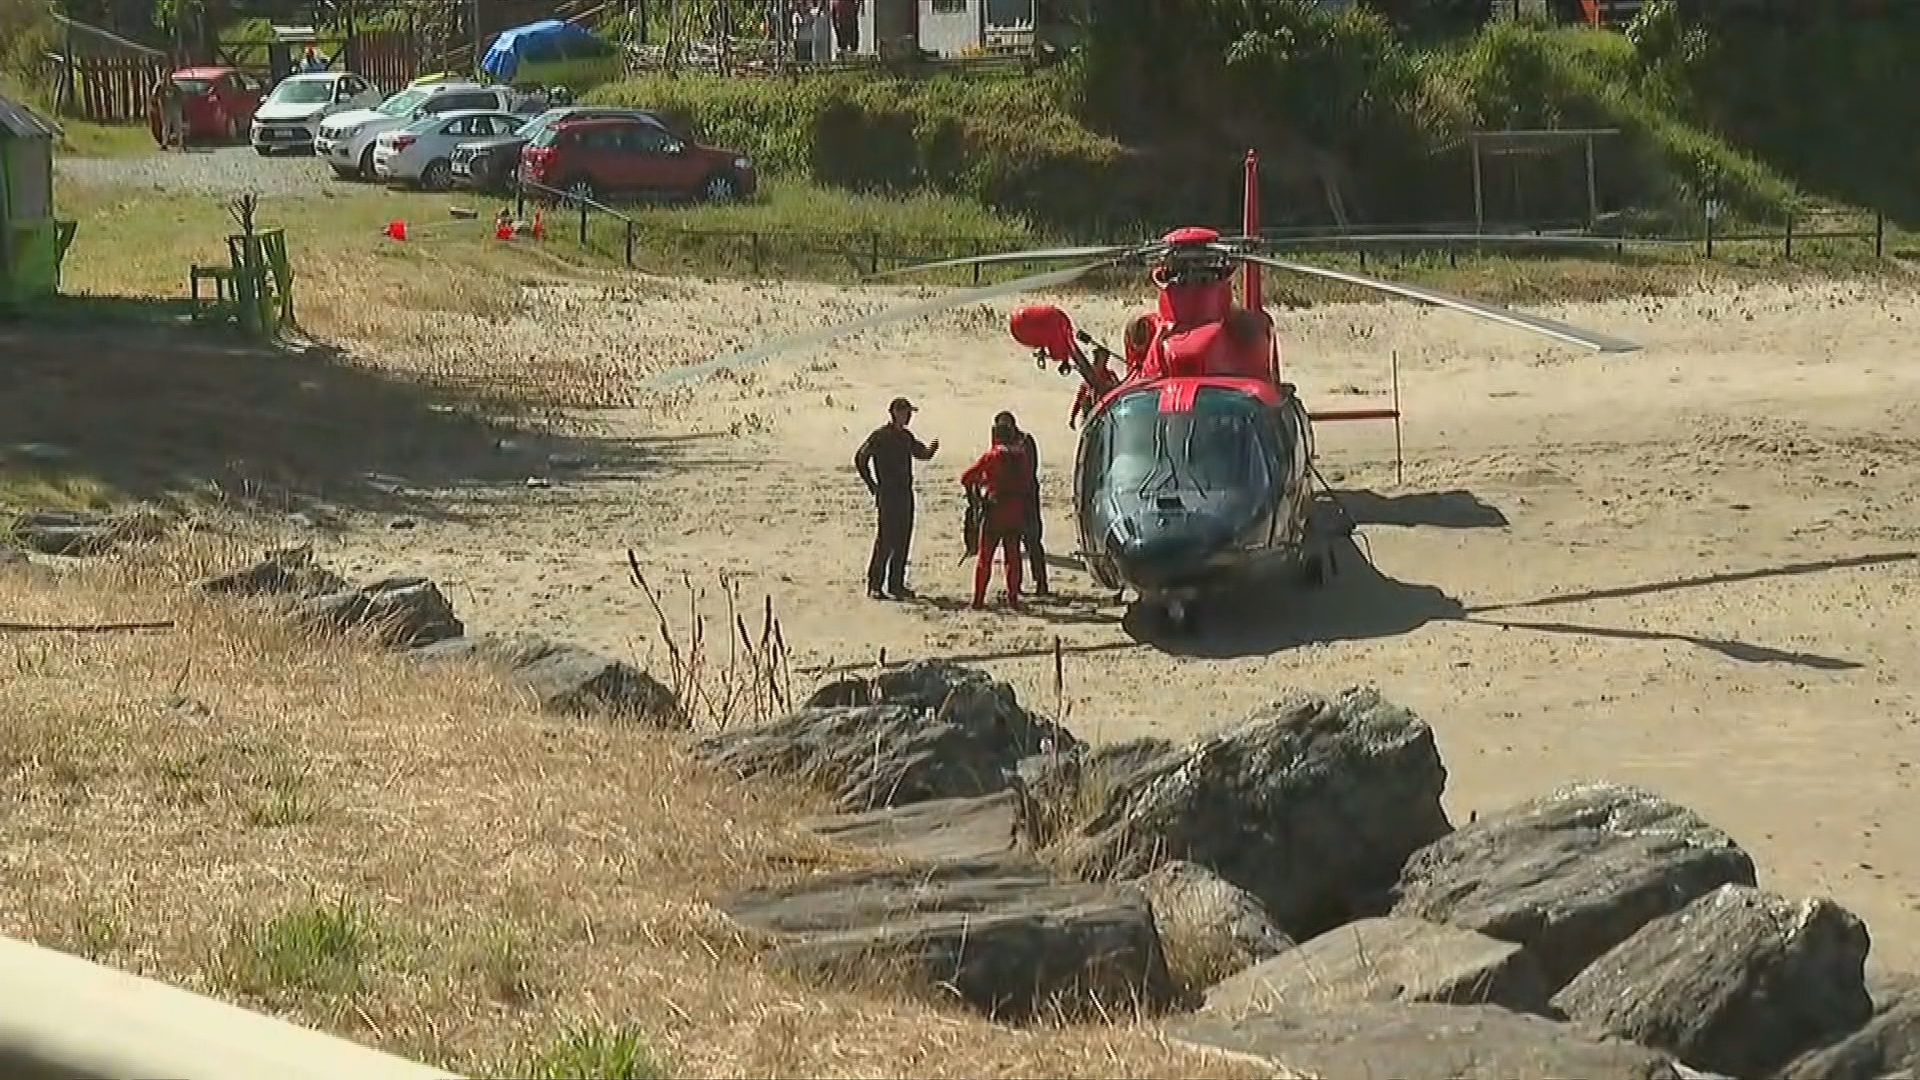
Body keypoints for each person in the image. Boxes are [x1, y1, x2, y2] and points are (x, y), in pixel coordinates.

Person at [855, 396, 938, 600]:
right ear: (895, 413)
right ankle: (875, 585)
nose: (909, 416)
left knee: (903, 540)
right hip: (888, 494)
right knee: (885, 541)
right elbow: (860, 458)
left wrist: (932, 450)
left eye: (910, 413)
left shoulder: (906, 437)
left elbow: (921, 453)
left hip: (905, 494)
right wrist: (871, 484)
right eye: (906, 412)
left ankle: (896, 584)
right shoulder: (879, 436)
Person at [960, 415, 1036, 611]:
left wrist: (982, 486)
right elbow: (1028, 482)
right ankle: (1012, 597)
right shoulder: (1022, 456)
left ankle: (978, 599)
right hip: (1016, 511)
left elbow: (966, 477)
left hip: (995, 510)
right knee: (1013, 557)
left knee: (985, 558)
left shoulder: (992, 456)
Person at [994, 411, 1049, 597]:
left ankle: (1041, 582)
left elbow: (1030, 469)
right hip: (1013, 498)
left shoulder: (1024, 441)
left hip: (1026, 497)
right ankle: (1016, 586)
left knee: (1032, 541)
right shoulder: (1001, 444)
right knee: (1013, 543)